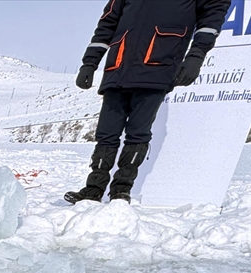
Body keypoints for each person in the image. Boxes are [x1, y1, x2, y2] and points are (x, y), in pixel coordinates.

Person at [65, 0, 230, 204]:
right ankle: (93, 189)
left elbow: (212, 17)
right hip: (118, 67)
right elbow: (107, 22)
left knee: (138, 133)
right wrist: (89, 62)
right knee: (106, 133)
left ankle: (121, 190)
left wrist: (196, 56)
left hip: (158, 66)